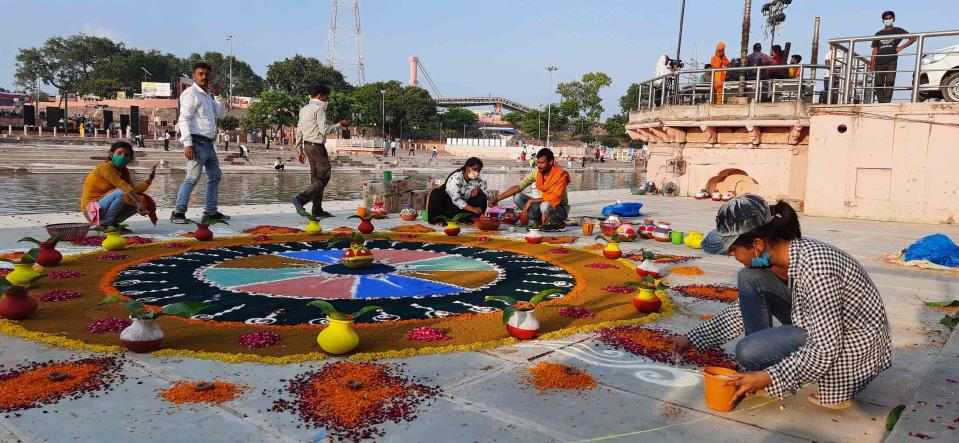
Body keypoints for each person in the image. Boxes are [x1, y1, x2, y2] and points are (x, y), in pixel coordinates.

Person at [670, 195, 891, 410]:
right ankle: (762, 369)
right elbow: (742, 311)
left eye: (733, 252)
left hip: (851, 347)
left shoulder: (817, 269)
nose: (734, 257)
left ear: (757, 244)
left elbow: (825, 348)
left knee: (748, 351)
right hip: (820, 326)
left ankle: (765, 373)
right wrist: (694, 338)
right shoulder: (782, 255)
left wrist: (768, 377)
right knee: (750, 277)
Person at [170, 62, 229, 224]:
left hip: (209, 144)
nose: (204, 77)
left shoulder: (208, 96)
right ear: (194, 76)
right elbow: (184, 119)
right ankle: (178, 213)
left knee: (215, 177)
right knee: (192, 178)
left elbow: (222, 115)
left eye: (207, 74)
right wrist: (187, 144)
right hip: (196, 143)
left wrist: (218, 95)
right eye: (201, 74)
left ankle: (211, 211)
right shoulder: (191, 94)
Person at [290, 84, 343, 219]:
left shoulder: (304, 109)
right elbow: (324, 130)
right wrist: (340, 125)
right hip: (317, 147)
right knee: (325, 175)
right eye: (326, 97)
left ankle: (317, 209)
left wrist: (299, 149)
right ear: (320, 95)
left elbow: (300, 129)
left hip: (307, 146)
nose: (327, 100)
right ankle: (300, 199)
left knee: (316, 178)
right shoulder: (319, 110)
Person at [81, 141, 158, 230]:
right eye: (119, 153)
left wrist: (149, 179)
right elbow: (122, 186)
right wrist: (138, 202)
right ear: (111, 154)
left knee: (143, 199)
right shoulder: (105, 168)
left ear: (130, 158)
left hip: (104, 207)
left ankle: (112, 222)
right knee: (124, 192)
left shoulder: (124, 171)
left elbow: (133, 190)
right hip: (91, 210)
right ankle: (104, 224)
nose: (122, 157)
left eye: (126, 155)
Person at [491, 148, 570, 231]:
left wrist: (531, 201)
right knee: (518, 197)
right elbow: (519, 187)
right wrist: (496, 199)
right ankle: (539, 222)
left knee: (545, 206)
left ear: (550, 162)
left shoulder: (561, 175)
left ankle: (557, 223)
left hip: (559, 209)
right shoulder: (537, 173)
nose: (539, 166)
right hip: (543, 204)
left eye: (542, 163)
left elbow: (554, 198)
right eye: (538, 163)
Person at [426, 157, 494, 224]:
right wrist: (473, 209)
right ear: (467, 168)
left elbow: (490, 195)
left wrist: (479, 190)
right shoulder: (456, 178)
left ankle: (471, 219)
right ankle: (438, 220)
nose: (477, 172)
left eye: (478, 171)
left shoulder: (477, 181)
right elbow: (456, 199)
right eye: (475, 169)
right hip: (450, 207)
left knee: (481, 196)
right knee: (436, 193)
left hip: (463, 211)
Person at [870, 11, 916, 103]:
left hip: (892, 61)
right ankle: (881, 103)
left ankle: (887, 103)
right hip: (879, 61)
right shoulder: (878, 34)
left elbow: (913, 38)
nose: (888, 20)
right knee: (878, 84)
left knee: (890, 82)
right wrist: (871, 63)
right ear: (883, 20)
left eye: (890, 18)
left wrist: (900, 47)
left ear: (893, 19)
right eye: (886, 19)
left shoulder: (898, 31)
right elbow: (875, 49)